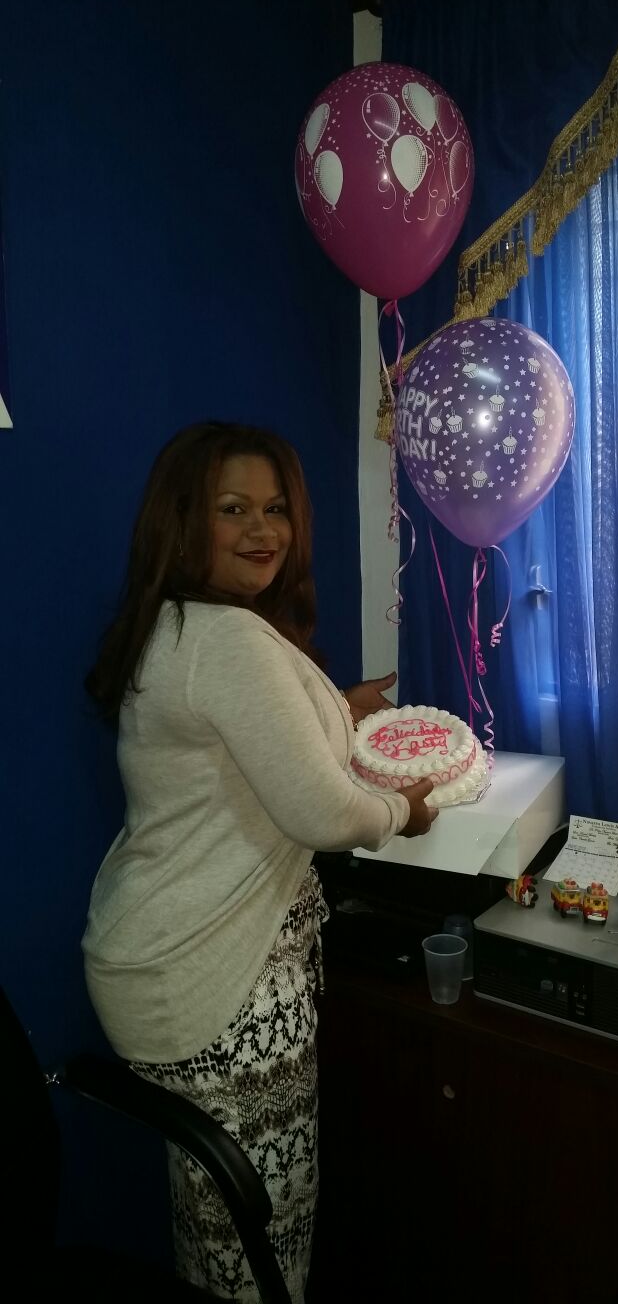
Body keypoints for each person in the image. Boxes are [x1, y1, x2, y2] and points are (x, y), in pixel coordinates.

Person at [82, 422, 437, 1303]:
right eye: (231, 509)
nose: (262, 530)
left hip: (164, 955)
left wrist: (337, 710)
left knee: (213, 1215)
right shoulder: (229, 642)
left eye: (275, 509)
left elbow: (241, 746)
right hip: (214, 976)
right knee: (264, 1238)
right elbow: (324, 814)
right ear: (182, 519)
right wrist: (404, 810)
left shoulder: (178, 624)